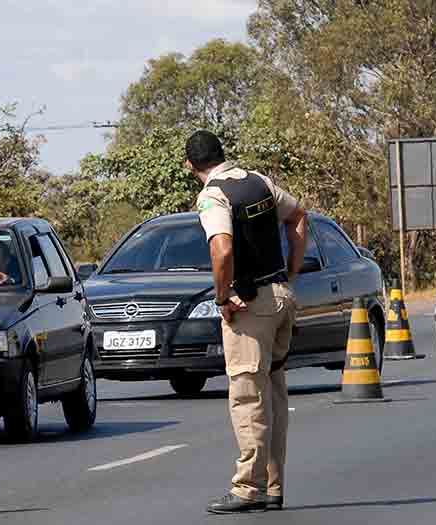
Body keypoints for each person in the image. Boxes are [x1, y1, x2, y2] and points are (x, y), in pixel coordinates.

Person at [186, 130, 307, 514]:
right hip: (281, 298)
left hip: (249, 307)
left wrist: (223, 297)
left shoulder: (213, 196)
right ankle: (274, 485)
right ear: (222, 155)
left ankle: (247, 489)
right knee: (273, 393)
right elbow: (299, 217)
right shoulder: (259, 181)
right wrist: (290, 274)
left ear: (191, 166)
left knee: (247, 396)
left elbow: (222, 249)